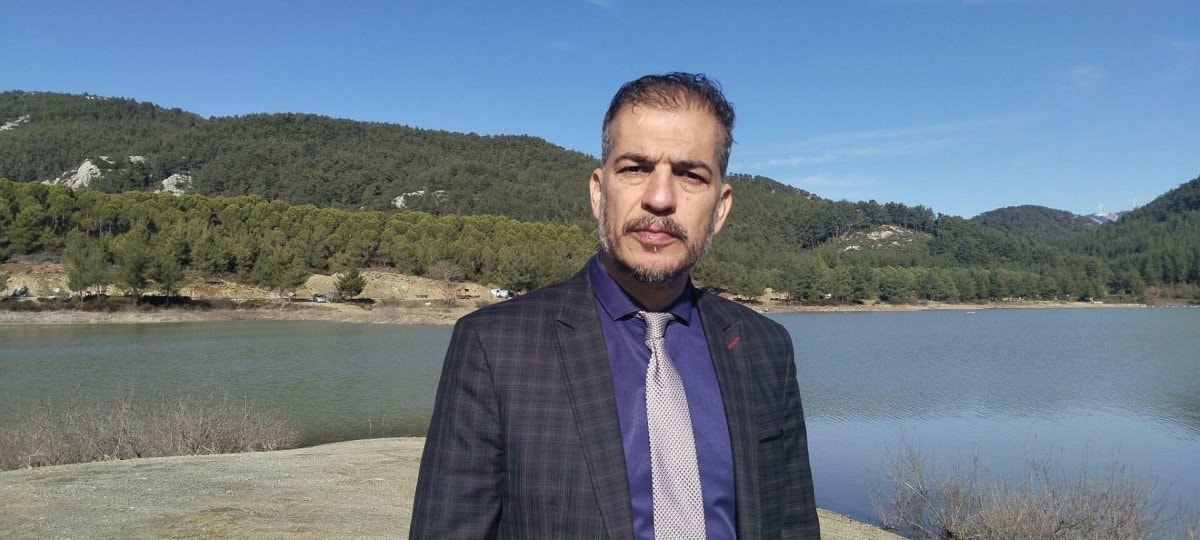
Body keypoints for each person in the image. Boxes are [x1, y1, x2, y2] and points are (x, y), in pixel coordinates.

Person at [410, 73, 820, 539]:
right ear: (598, 191)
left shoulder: (765, 348)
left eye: (690, 175)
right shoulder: (494, 347)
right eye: (635, 168)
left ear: (720, 207)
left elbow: (793, 526)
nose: (660, 198)